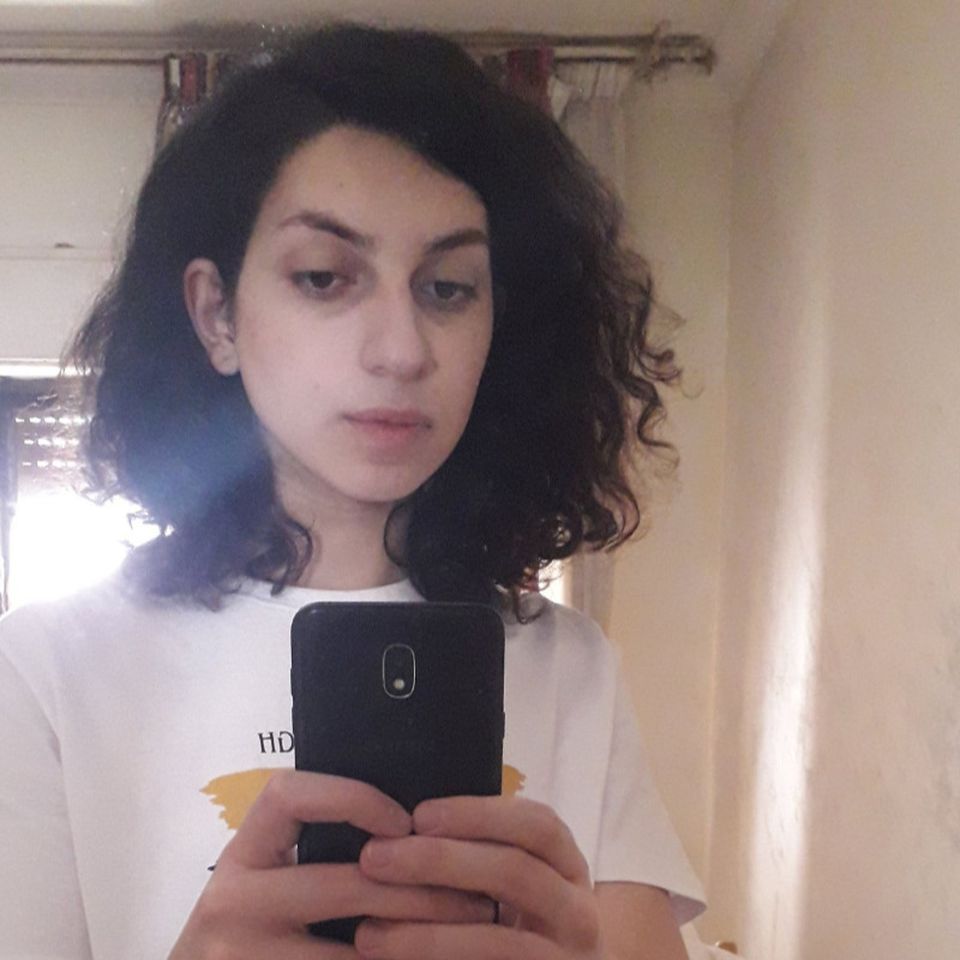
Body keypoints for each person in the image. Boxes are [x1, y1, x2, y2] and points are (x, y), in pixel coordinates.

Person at [0, 22, 705, 960]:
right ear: (216, 315)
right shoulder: (47, 668)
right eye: (326, 277)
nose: (402, 350)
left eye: (448, 288)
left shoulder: (569, 667)